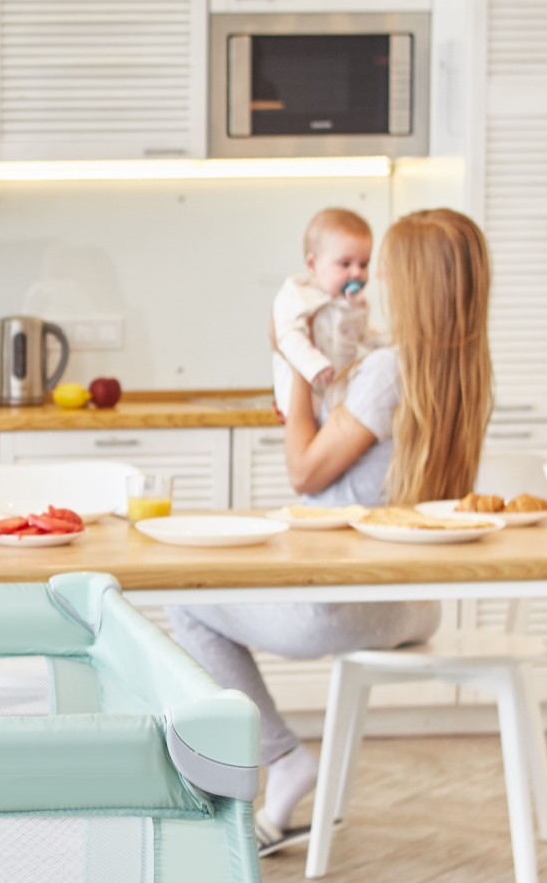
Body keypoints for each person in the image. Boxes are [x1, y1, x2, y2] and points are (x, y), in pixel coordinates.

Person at [171, 208, 494, 850]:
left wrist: (292, 361)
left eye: (387, 269)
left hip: (342, 603)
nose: (376, 280)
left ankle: (283, 757)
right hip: (414, 605)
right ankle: (281, 777)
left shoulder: (390, 370)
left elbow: (303, 470)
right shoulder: (466, 372)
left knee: (187, 599)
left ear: (415, 283)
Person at [271, 207, 380, 416]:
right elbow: (287, 335)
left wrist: (393, 344)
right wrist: (313, 365)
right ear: (312, 264)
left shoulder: (353, 303)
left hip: (336, 388)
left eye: (364, 264)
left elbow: (366, 332)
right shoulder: (297, 295)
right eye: (345, 264)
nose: (356, 273)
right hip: (303, 386)